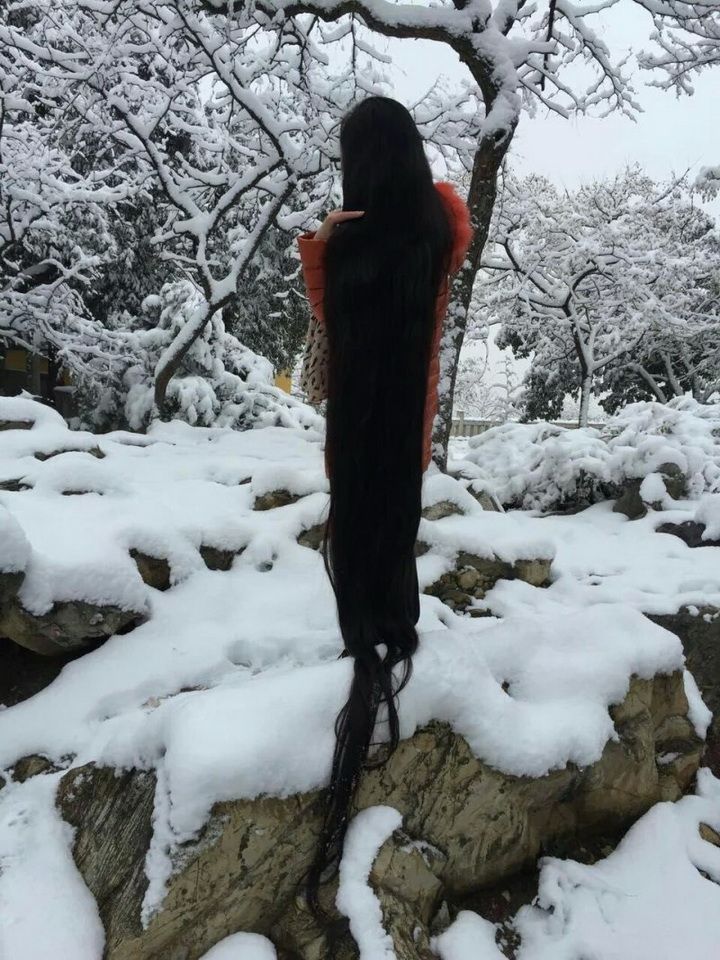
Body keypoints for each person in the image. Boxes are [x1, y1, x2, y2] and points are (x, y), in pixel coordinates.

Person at [296, 95, 473, 928]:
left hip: (354, 432)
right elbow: (456, 214)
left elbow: (323, 308)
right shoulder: (438, 232)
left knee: (355, 522)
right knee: (393, 524)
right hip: (408, 428)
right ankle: (396, 629)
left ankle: (359, 634)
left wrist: (323, 240)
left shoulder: (350, 244)